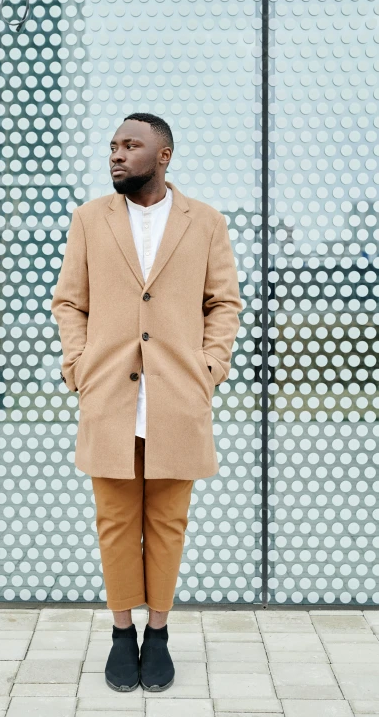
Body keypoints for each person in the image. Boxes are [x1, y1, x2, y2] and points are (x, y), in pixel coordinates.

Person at [51, 113, 243, 692]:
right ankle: (120, 632)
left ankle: (157, 633)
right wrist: (78, 366)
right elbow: (69, 302)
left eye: (130, 146)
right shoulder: (89, 219)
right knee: (114, 523)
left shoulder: (204, 221)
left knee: (167, 522)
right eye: (113, 146)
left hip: (177, 397)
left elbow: (223, 303)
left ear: (163, 156)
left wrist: (210, 369)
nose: (117, 155)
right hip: (109, 394)